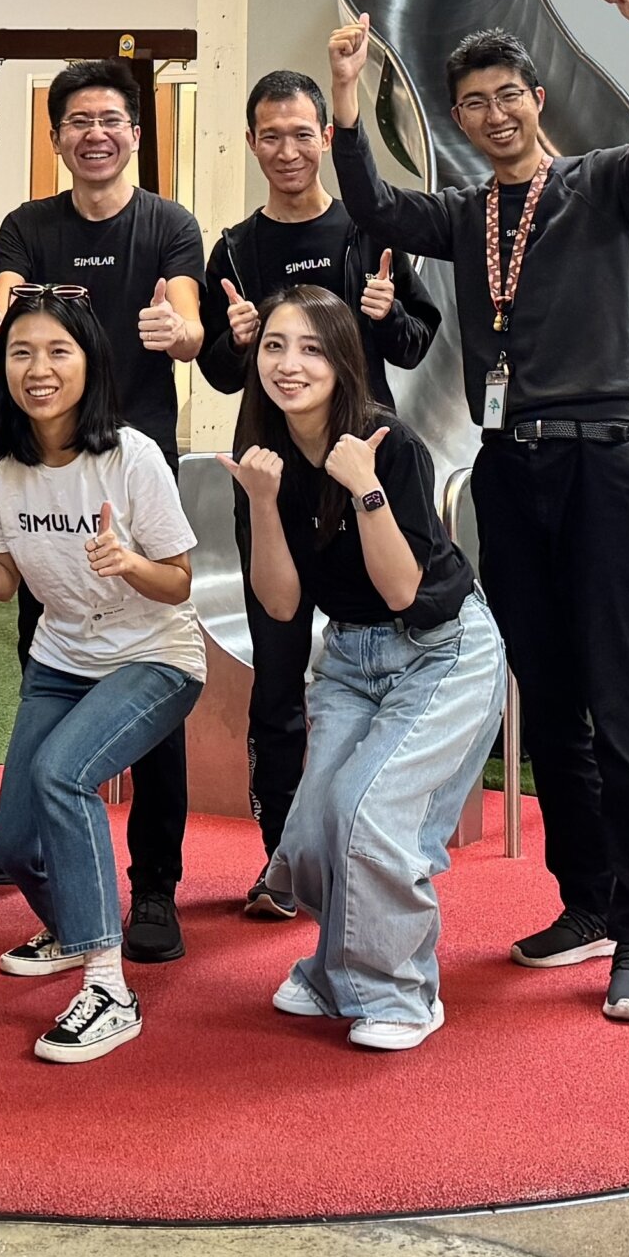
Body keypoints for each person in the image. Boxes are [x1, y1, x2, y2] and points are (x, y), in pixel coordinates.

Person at [326, 0, 629, 1023]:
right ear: (457, 121)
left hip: (604, 466)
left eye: (508, 95)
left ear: (538, 99)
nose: (494, 115)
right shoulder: (466, 214)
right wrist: (347, 96)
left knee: (623, 707)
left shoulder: (602, 183)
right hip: (508, 467)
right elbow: (372, 207)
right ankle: (586, 901)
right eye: (474, 104)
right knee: (545, 701)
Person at [0, 289, 204, 1063]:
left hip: (155, 655)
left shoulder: (132, 456)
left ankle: (109, 985)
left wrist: (129, 563)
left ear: (90, 363)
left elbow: (180, 583)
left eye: (57, 352)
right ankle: (74, 926)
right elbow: (4, 582)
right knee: (15, 844)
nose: (38, 369)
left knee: (63, 772)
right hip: (61, 657)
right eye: (21, 353)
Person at [220, 288, 503, 1050]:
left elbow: (405, 590)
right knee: (315, 822)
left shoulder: (387, 443)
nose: (290, 363)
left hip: (441, 649)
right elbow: (282, 604)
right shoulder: (265, 456)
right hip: (349, 656)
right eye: (274, 345)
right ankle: (335, 970)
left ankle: (403, 994)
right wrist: (264, 502)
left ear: (343, 360)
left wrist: (365, 489)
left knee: (370, 811)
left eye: (311, 348)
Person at [0, 59, 206, 965]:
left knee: (148, 698)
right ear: (58, 135)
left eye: (111, 119)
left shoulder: (168, 224)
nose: (95, 134)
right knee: (54, 648)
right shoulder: (31, 225)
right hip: (42, 464)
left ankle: (154, 888)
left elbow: (187, 321)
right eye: (78, 121)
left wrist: (181, 333)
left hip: (128, 465)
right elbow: (4, 310)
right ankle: (55, 854)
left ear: (135, 134)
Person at [198, 69, 442, 913]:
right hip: (270, 478)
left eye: (303, 132)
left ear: (325, 138)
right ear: (251, 142)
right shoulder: (235, 249)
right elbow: (220, 370)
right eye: (271, 135)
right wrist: (235, 342)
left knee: (383, 644)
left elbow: (413, 344)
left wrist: (383, 314)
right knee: (276, 677)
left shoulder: (367, 231)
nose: (288, 149)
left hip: (358, 470)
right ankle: (282, 861)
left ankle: (373, 836)